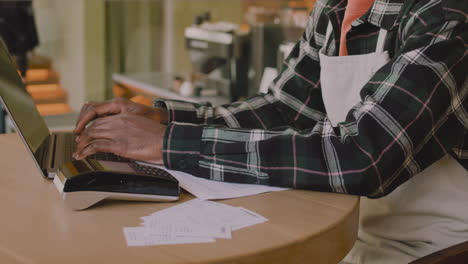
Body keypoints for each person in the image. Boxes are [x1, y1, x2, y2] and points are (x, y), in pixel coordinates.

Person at [73, 0, 468, 263]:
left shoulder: (445, 16)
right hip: (356, 233)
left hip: (438, 245)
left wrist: (166, 145)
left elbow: (362, 156)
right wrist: (166, 120)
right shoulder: (334, 8)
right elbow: (285, 109)